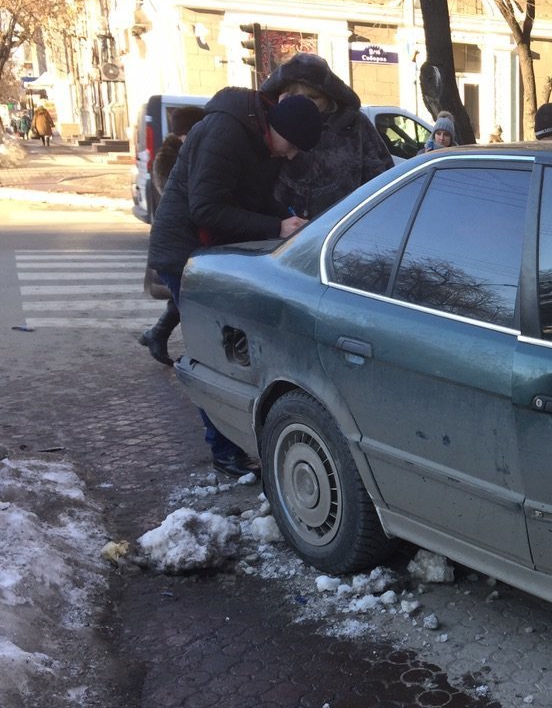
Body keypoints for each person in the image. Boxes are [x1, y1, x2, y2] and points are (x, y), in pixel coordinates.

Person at [146, 87, 323, 479]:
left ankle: (230, 442)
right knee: (211, 352)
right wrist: (275, 226)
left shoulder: (260, 140)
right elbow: (207, 207)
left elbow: (252, 198)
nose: (291, 155)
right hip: (186, 254)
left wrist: (290, 219)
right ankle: (223, 450)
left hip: (211, 254)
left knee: (224, 348)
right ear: (277, 128)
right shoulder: (227, 132)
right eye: (292, 145)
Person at [259, 53, 393, 218]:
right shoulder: (271, 122)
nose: (305, 104)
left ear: (330, 98)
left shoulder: (355, 125)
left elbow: (381, 176)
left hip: (340, 229)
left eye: (313, 97)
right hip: (283, 230)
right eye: (295, 97)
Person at [138, 105, 207, 366]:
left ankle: (156, 334)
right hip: (174, 240)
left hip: (183, 241)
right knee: (187, 301)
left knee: (185, 297)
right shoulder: (169, 158)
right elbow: (177, 196)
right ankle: (185, 352)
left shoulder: (183, 154)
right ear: (185, 133)